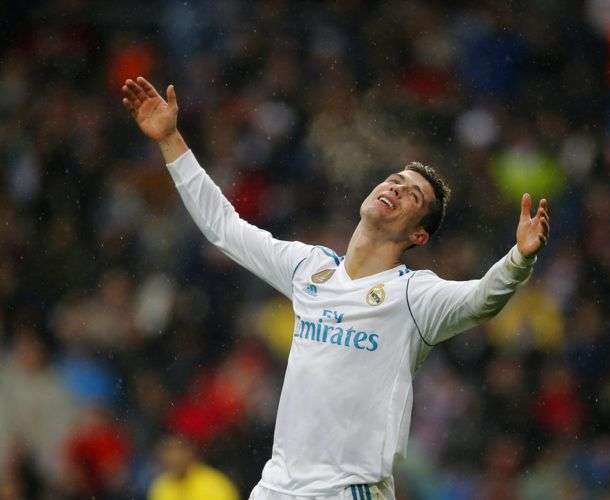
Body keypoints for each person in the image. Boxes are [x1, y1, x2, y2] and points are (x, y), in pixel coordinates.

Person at [122, 76, 550, 500]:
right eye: (394, 180)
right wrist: (171, 139)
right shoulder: (310, 269)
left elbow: (481, 300)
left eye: (413, 196)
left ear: (419, 235)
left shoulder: (415, 297)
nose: (396, 188)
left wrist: (519, 258)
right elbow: (223, 227)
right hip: (277, 488)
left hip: (348, 491)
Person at [149, 435, 239, 500]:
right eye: (169, 455)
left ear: (190, 454)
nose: (174, 459)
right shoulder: (160, 487)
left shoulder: (214, 484)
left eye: (178, 454)